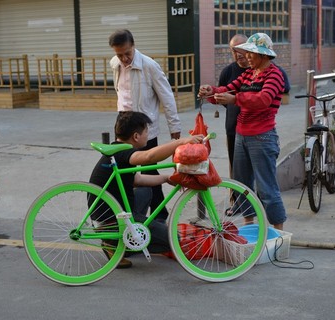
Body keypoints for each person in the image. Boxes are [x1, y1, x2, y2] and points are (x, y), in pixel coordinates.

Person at [89, 111, 203, 268]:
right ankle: (118, 244)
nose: (148, 135)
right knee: (174, 240)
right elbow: (149, 157)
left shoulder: (116, 151)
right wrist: (181, 142)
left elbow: (137, 180)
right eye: (146, 132)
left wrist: (165, 178)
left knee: (145, 191)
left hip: (108, 214)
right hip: (112, 221)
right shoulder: (124, 153)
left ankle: (126, 239)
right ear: (136, 136)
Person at [198, 33, 287, 230]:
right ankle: (249, 227)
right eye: (246, 52)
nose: (246, 56)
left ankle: (279, 233)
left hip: (262, 137)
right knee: (243, 186)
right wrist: (210, 91)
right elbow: (228, 89)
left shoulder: (275, 74)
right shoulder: (248, 74)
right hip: (241, 135)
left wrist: (235, 99)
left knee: (266, 188)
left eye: (250, 53)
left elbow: (263, 100)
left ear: (264, 55)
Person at [109, 29, 182, 223]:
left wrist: (174, 128)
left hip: (143, 129)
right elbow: (121, 93)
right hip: (123, 126)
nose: (124, 58)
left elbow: (167, 97)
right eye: (119, 54)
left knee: (149, 171)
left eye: (127, 53)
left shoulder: (149, 66)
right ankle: (130, 214)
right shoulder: (115, 64)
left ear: (133, 46)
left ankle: (159, 215)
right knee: (125, 173)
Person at [218, 34, 249, 178]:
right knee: (236, 170)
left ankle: (258, 200)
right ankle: (235, 198)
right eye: (233, 50)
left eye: (240, 49)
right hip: (233, 129)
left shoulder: (259, 70)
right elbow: (222, 97)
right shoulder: (228, 72)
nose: (237, 54)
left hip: (255, 130)